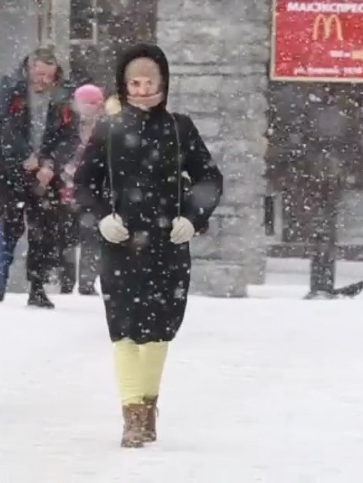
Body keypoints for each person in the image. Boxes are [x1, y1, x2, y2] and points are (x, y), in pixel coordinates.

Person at [74, 44, 223, 447]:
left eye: (149, 82)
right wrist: (103, 216)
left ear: (163, 83)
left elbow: (209, 179)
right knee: (123, 328)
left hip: (167, 242)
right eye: (134, 83)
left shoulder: (180, 128)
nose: (142, 90)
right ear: (124, 85)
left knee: (159, 326)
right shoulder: (108, 130)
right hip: (120, 243)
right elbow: (85, 183)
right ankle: (133, 413)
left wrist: (193, 218)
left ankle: (148, 404)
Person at [0, 48, 78, 308]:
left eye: (48, 76)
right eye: (38, 74)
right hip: (13, 172)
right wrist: (23, 156)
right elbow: (1, 126)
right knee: (9, 229)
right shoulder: (10, 89)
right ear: (29, 68)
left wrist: (50, 163)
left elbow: (70, 135)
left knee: (44, 232)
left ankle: (37, 287)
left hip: (46, 176)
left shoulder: (64, 96)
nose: (42, 81)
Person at [59, 83, 106, 295]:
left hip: (90, 188)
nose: (90, 108)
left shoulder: (106, 127)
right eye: (86, 103)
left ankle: (86, 282)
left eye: (94, 104)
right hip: (63, 184)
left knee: (90, 234)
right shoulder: (66, 123)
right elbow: (60, 149)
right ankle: (66, 281)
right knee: (65, 236)